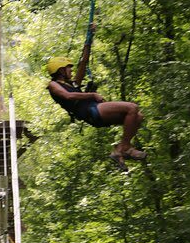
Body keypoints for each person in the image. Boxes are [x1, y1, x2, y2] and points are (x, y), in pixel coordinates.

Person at [46, 26, 146, 170]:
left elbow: (83, 62)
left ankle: (123, 148)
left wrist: (89, 37)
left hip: (94, 110)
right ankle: (123, 148)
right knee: (132, 107)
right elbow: (68, 96)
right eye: (68, 68)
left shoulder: (73, 83)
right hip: (90, 110)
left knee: (138, 116)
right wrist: (92, 94)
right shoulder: (53, 85)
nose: (71, 70)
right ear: (60, 70)